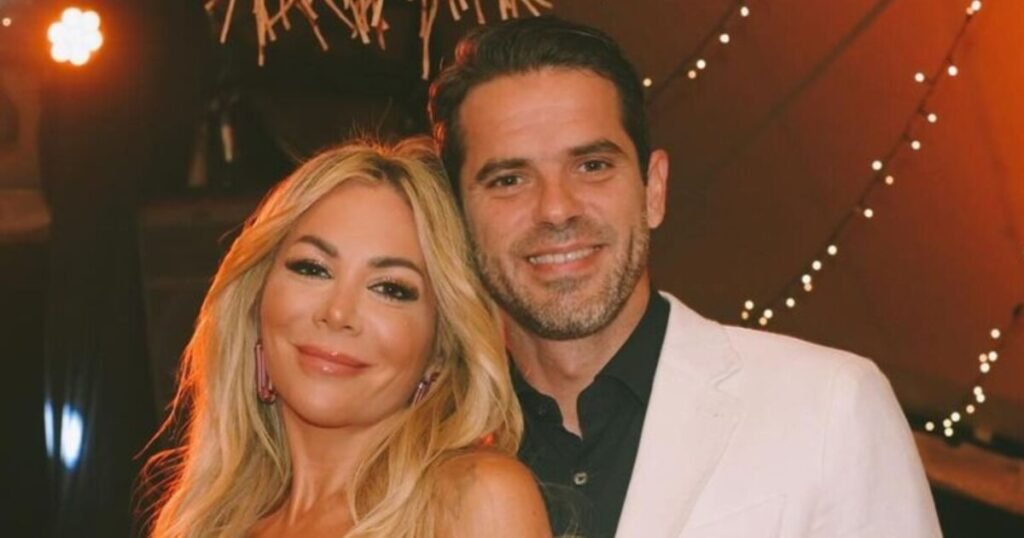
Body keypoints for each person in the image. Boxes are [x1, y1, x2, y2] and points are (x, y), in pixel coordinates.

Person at [428, 16, 942, 538]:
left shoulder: (830, 407)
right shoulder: (420, 451)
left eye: (593, 166)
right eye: (509, 179)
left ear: (653, 189)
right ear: (457, 218)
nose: (556, 209)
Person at [142, 138, 551, 537]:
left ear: (440, 350)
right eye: (312, 268)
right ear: (256, 301)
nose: (338, 313)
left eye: (390, 288)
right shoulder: (204, 524)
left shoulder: (474, 500)